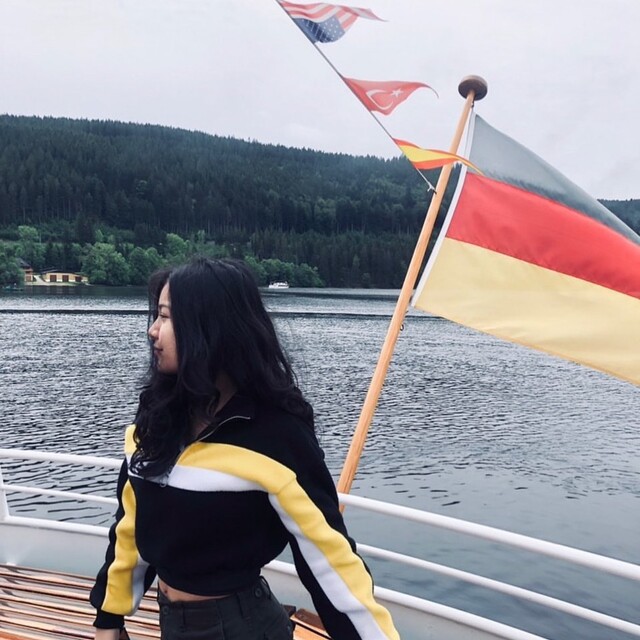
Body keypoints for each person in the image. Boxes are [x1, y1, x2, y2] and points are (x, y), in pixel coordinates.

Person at [90, 257, 399, 640]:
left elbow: (330, 561)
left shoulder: (274, 434)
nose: (153, 331)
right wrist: (109, 618)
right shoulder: (158, 418)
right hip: (171, 623)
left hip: (242, 628)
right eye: (157, 316)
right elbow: (130, 527)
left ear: (209, 328)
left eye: (166, 317)